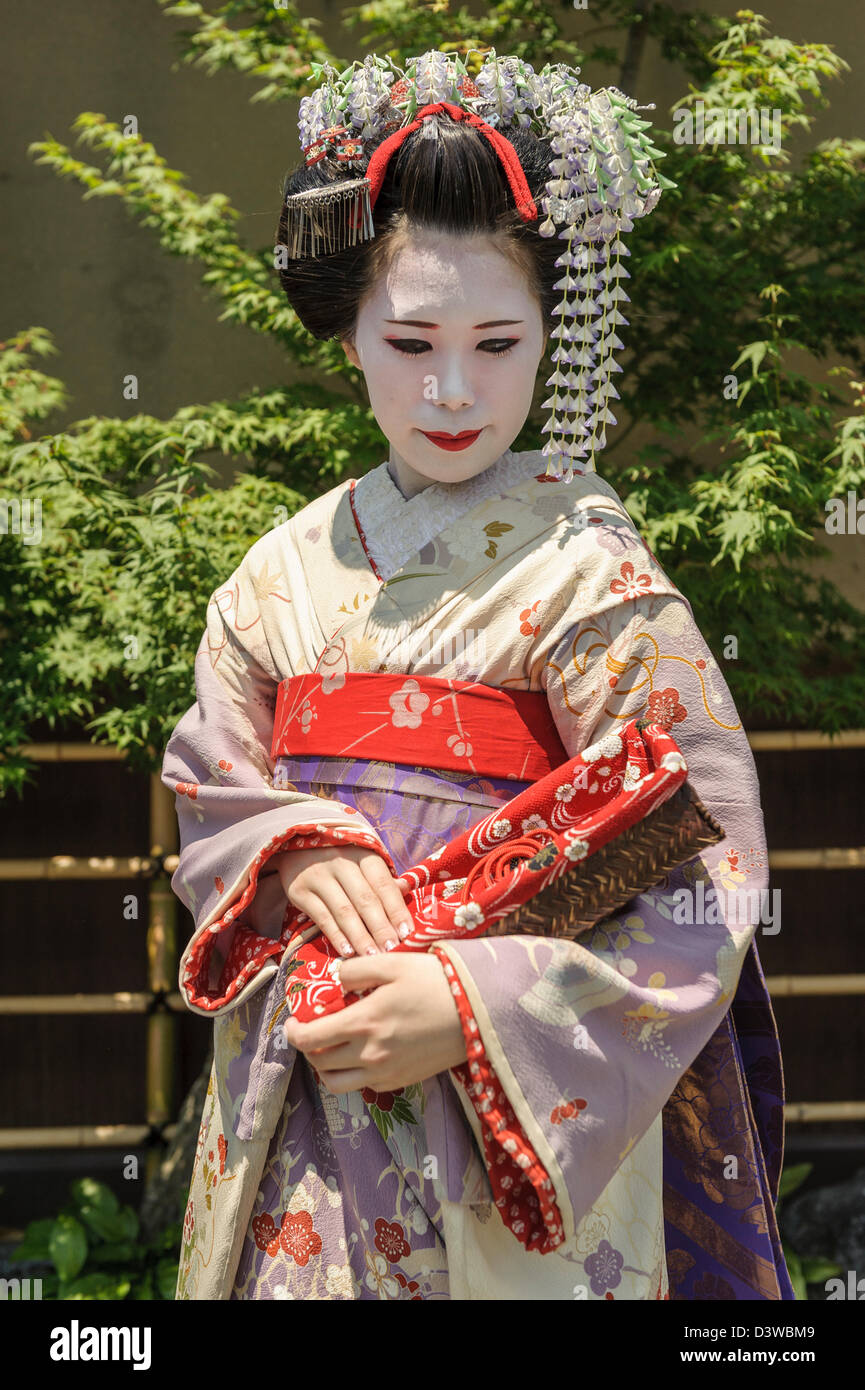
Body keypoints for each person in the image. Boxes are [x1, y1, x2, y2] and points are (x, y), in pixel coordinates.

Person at [162, 50, 793, 1300]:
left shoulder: (590, 570)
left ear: (553, 335)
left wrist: (471, 999)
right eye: (410, 341)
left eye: (498, 342)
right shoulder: (280, 573)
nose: (453, 390)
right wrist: (291, 841)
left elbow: (702, 856)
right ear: (349, 333)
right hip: (304, 1077)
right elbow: (208, 778)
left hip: (500, 1103)